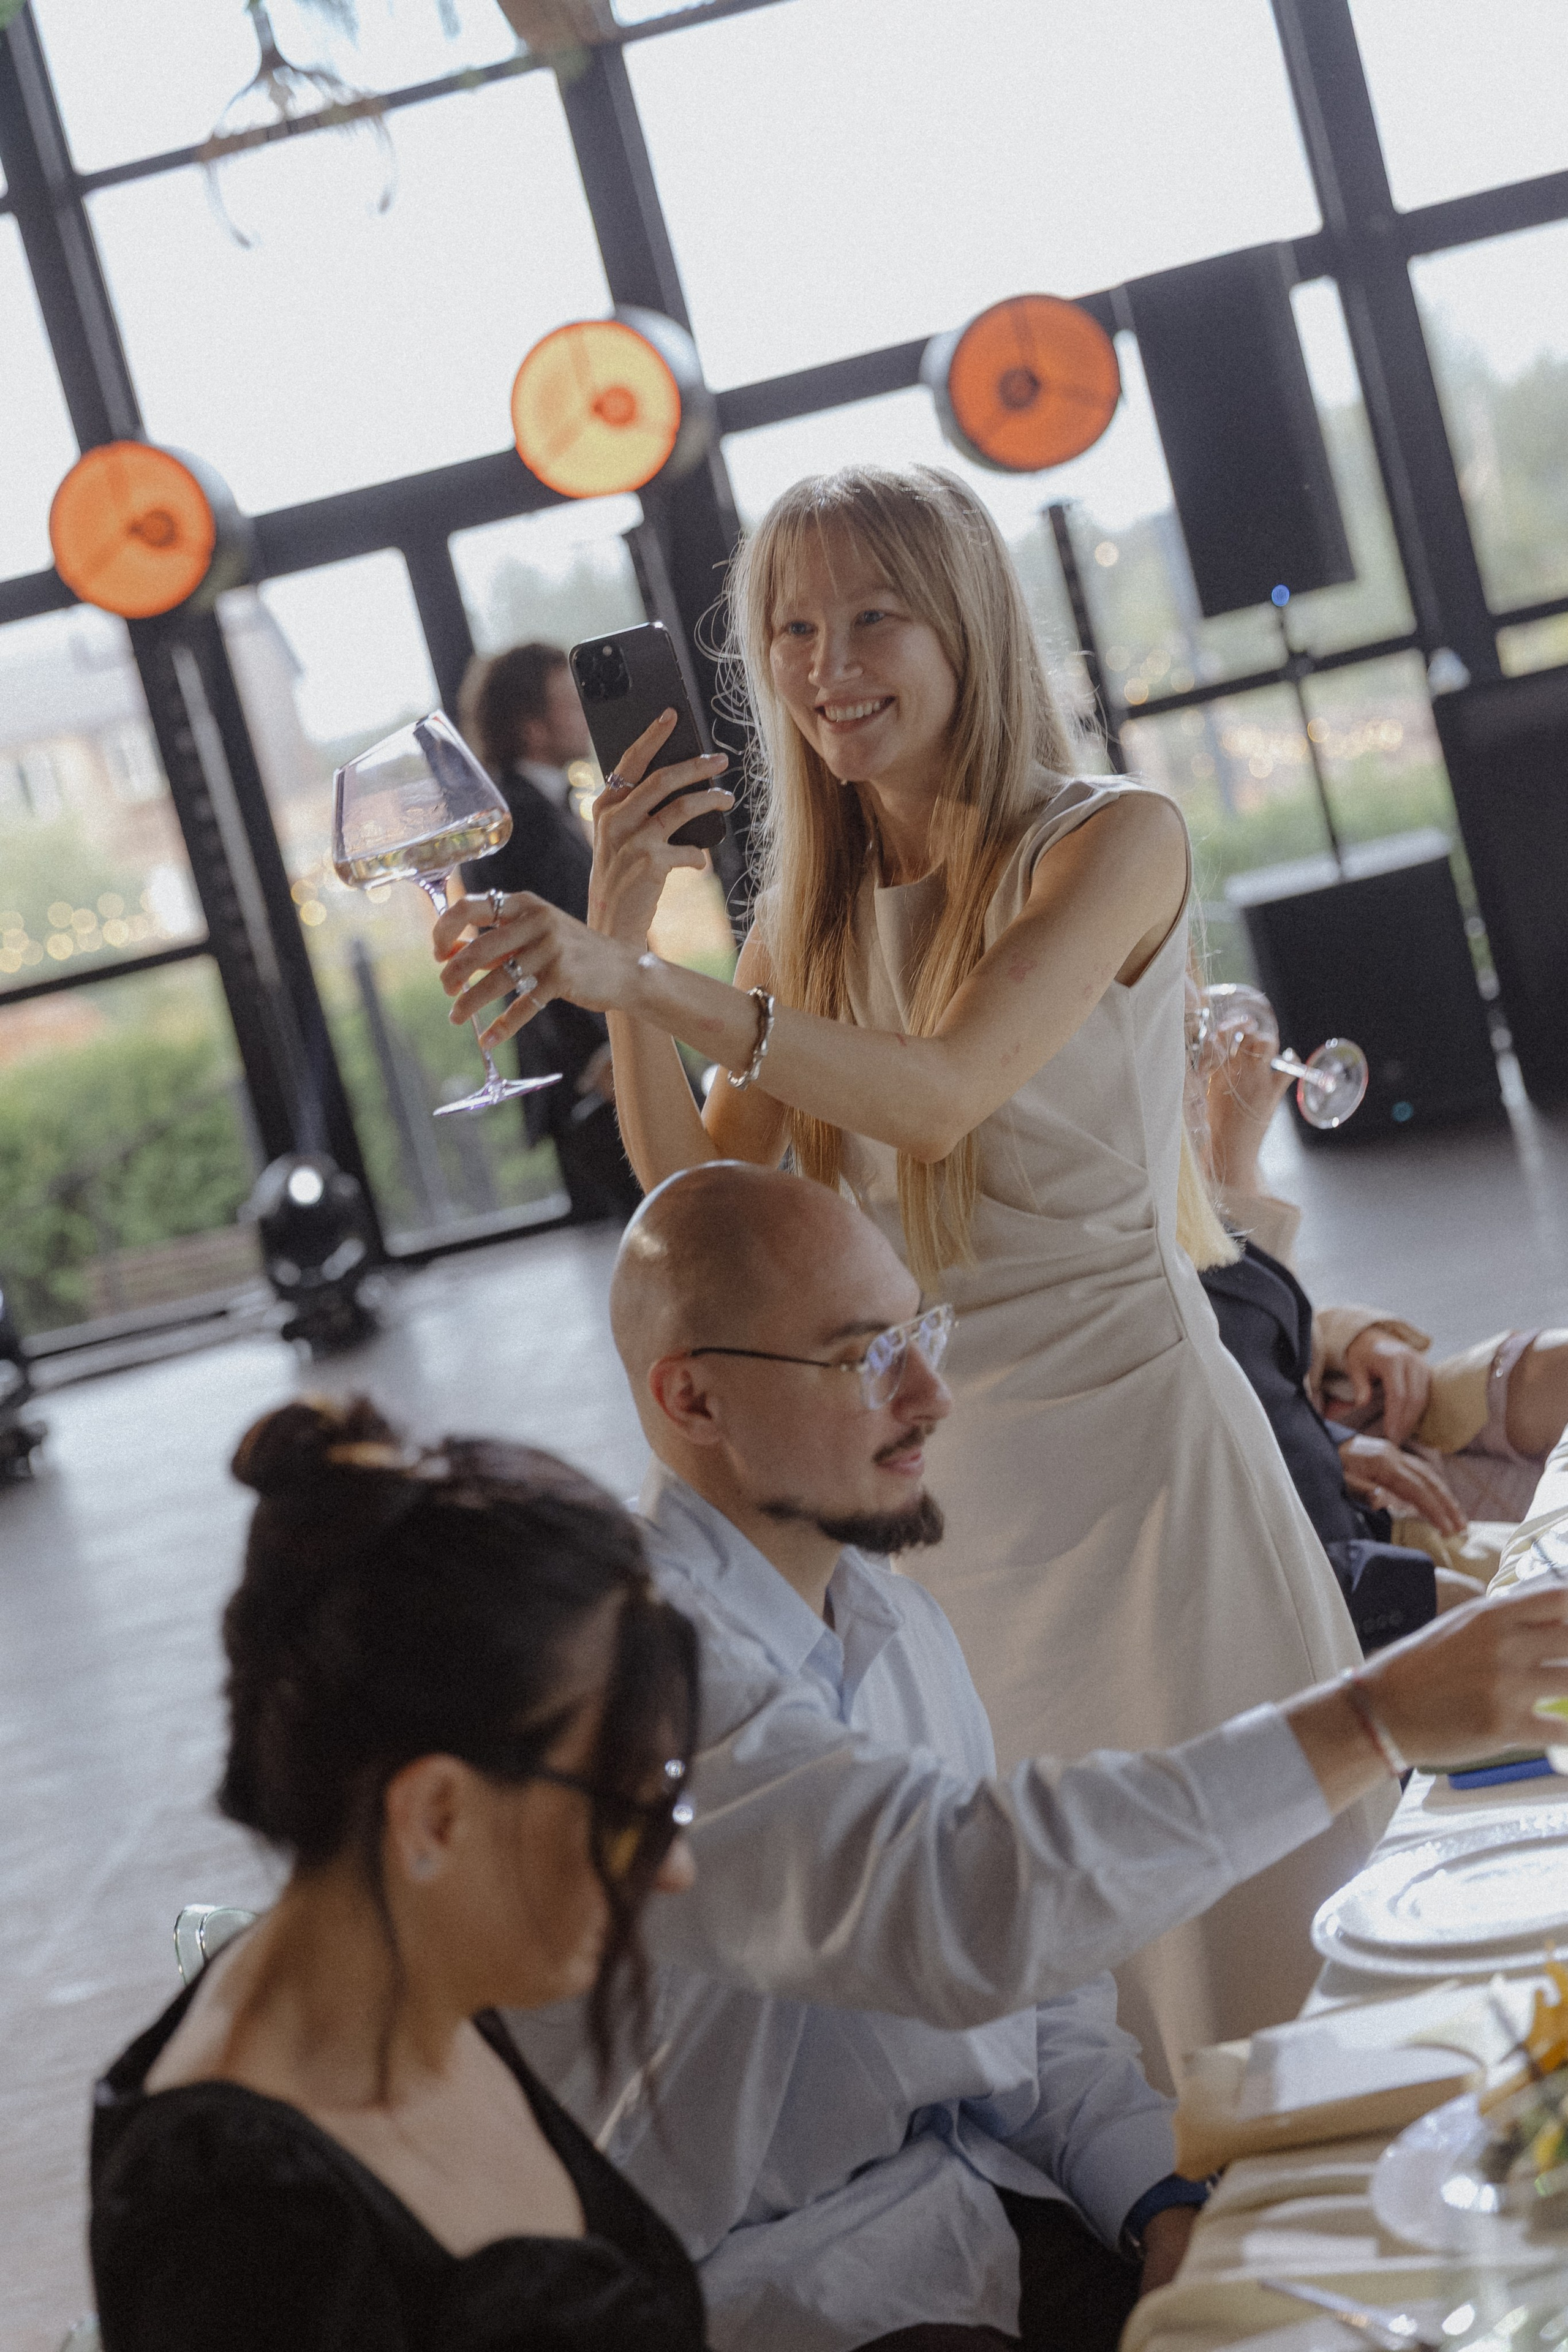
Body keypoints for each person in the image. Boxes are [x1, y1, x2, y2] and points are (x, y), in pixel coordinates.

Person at [433, 464, 1382, 2084]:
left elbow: (942, 1090)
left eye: (872, 616)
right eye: (792, 631)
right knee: (1065, 1998)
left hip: (1146, 1486)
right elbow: (701, 1196)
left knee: (1254, 1971)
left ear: (965, 627)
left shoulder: (1113, 841)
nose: (827, 665)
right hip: (945, 1508)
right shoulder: (804, 918)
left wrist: (652, 984)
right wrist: (626, 947)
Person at [514, 1161, 1568, 2351]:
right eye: (865, 1357)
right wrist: (1370, 1721)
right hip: (775, 2302)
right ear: (693, 1400)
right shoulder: (638, 1674)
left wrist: (1158, 2198)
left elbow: (1037, 1996)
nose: (931, 1395)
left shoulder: (889, 1615)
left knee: (1435, 2216)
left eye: (920, 1335)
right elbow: (962, 1908)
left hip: (986, 2225)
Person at [89, 1396, 706, 2352]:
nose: (675, 1871)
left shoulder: (422, 1987)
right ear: (436, 1816)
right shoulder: (243, 2230)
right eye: (629, 1811)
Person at [1194, 978, 1568, 1585]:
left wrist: (1356, 1337)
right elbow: (1233, 1369)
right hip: (1334, 1506)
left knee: (1553, 1368)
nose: (1213, 1044)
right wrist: (1233, 1161)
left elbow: (1284, 1321)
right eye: (1190, 1035)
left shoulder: (1180, 1151)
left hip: (1371, 1413)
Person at [459, 642, 642, 1223]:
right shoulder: (513, 819)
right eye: (569, 702)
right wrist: (600, 1054)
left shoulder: (536, 806)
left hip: (606, 1053)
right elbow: (530, 951)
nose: (585, 714)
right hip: (594, 1071)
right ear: (530, 725)